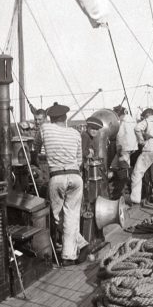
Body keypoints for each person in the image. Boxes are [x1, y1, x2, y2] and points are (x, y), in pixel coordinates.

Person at [42, 102, 89, 266]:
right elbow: (79, 160)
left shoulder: (45, 129)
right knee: (72, 216)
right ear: (65, 117)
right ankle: (80, 246)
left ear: (50, 118)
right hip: (75, 176)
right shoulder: (75, 133)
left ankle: (71, 254)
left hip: (57, 177)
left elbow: (38, 151)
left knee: (58, 218)